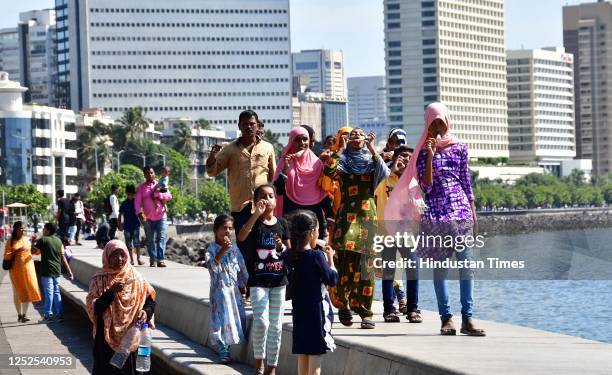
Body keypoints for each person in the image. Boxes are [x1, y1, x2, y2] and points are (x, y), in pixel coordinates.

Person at [385, 102, 485, 336]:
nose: (438, 127)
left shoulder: (460, 147)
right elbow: (426, 186)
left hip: (460, 211)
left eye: (441, 122)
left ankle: (467, 319)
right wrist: (429, 155)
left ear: (447, 122)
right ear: (427, 125)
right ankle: (446, 318)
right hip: (436, 214)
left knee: (466, 266)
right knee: (440, 270)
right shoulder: (421, 152)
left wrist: (474, 212)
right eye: (434, 123)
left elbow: (466, 182)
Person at [320, 128, 389, 329]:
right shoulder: (343, 160)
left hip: (367, 215)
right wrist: (338, 150)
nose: (357, 136)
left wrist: (372, 148)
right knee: (344, 264)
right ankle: (344, 305)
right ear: (348, 140)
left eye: (360, 134)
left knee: (366, 266)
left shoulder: (371, 159)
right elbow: (329, 172)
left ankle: (366, 313)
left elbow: (384, 172)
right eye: (353, 135)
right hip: (345, 216)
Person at [206, 110, 277, 258]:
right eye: (245, 124)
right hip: (240, 208)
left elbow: (273, 177)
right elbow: (212, 171)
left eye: (252, 124)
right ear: (239, 126)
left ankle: (262, 281)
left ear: (257, 126)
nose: (249, 127)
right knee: (245, 250)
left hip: (263, 208)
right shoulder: (230, 150)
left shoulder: (268, 148)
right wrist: (212, 156)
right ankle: (247, 281)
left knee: (264, 249)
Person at [237, 184, 289, 375]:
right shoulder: (254, 223)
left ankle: (271, 367)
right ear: (257, 201)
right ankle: (258, 362)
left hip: (279, 282)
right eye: (263, 196)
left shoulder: (282, 224)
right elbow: (241, 237)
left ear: (276, 200)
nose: (268, 199)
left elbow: (288, 253)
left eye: (271, 195)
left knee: (276, 326)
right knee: (261, 322)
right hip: (258, 281)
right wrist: (255, 215)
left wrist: (281, 247)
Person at [86, 240, 156, 375]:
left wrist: (146, 312)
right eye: (115, 255)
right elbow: (94, 308)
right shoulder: (99, 280)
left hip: (133, 338)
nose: (119, 259)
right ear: (107, 257)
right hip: (106, 340)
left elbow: (150, 301)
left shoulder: (136, 277)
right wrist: (110, 292)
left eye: (122, 255)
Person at [286, 210, 337, 375]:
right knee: (315, 354)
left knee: (303, 353)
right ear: (312, 233)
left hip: (299, 312)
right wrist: (331, 259)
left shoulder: (291, 255)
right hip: (316, 314)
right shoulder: (316, 256)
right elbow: (331, 279)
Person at [374, 145, 421, 323]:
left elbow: (419, 207)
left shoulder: (413, 181)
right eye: (402, 157)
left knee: (412, 271)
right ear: (394, 159)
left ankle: (413, 309)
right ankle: (389, 309)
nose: (405, 160)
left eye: (409, 157)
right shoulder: (384, 179)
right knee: (389, 272)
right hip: (387, 234)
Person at [205, 214, 248, 364]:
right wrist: (222, 250)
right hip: (219, 292)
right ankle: (223, 351)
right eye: (224, 228)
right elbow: (211, 267)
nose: (227, 231)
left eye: (230, 228)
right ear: (216, 230)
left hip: (233, 291)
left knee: (234, 319)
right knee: (221, 320)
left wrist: (245, 285)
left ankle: (229, 348)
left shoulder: (235, 249)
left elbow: (242, 268)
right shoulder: (211, 249)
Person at [273, 126, 329, 240]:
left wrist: (330, 217)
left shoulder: (317, 163)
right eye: (297, 140)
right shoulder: (285, 161)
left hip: (314, 215)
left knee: (314, 252)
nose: (302, 143)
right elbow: (278, 190)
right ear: (291, 142)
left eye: (305, 139)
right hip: (291, 215)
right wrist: (285, 170)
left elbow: (323, 192)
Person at [31, 222, 74, 323]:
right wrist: (69, 271)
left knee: (48, 293)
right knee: (56, 292)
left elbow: (33, 251)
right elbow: (63, 258)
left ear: (48, 230)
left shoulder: (43, 240)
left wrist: (33, 241)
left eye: (44, 229)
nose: (43, 231)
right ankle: (59, 316)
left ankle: (48, 316)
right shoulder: (59, 241)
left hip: (46, 271)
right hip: (57, 271)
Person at [3, 221, 42, 323]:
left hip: (28, 269)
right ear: (16, 229)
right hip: (15, 271)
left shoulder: (27, 239)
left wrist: (33, 242)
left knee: (28, 290)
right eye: (21, 228)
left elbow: (36, 252)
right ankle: (19, 314)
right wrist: (15, 251)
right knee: (17, 292)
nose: (23, 230)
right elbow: (7, 256)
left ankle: (24, 314)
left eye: (24, 228)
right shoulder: (10, 241)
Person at [135, 166, 173, 267]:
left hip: (161, 216)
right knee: (150, 240)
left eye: (151, 173)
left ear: (154, 173)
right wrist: (139, 213)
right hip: (148, 218)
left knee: (161, 237)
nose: (150, 175)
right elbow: (137, 202)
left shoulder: (160, 184)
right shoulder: (141, 188)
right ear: (144, 175)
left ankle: (160, 259)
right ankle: (153, 259)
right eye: (147, 173)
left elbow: (169, 196)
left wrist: (158, 195)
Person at [119, 185, 144, 266]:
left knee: (137, 242)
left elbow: (140, 213)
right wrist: (120, 224)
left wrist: (143, 222)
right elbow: (120, 214)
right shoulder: (124, 203)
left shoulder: (137, 202)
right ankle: (132, 260)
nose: (131, 195)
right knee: (128, 243)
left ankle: (139, 259)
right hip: (127, 226)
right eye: (129, 194)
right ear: (126, 193)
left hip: (136, 225)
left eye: (132, 194)